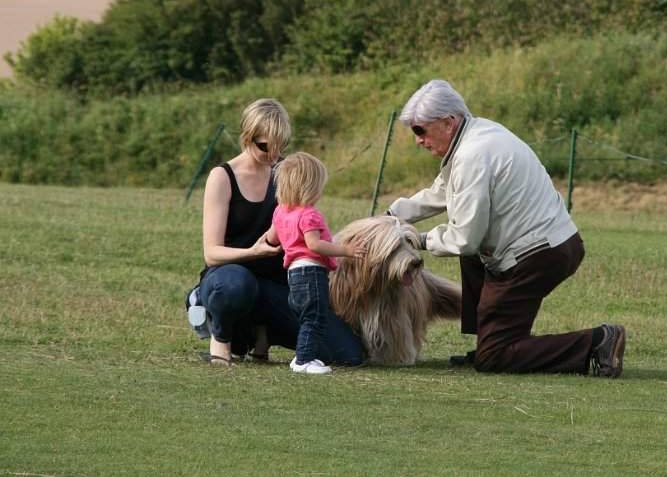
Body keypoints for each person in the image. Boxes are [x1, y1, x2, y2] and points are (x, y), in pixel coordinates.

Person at [387, 80, 626, 377]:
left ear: (448, 122)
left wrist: (415, 239)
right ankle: (491, 339)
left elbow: (464, 239)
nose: (418, 140)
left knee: (494, 359)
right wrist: (392, 216)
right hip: (552, 245)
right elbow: (443, 192)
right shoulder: (478, 134)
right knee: (473, 261)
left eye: (419, 130)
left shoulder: (471, 156)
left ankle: (597, 341)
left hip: (537, 256)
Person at [187, 99, 364, 367]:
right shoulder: (222, 177)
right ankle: (221, 337)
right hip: (230, 275)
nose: (273, 155)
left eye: (280, 146)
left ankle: (264, 332)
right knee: (235, 286)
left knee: (347, 354)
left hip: (281, 284)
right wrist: (253, 252)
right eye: (265, 146)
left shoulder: (287, 172)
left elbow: (306, 226)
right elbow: (212, 254)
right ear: (247, 137)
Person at [265, 152, 367, 374]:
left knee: (305, 317)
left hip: (293, 274)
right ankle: (304, 361)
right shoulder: (309, 214)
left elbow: (272, 238)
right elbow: (315, 245)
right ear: (310, 187)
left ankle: (303, 355)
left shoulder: (280, 211)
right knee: (315, 317)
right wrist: (346, 251)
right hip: (311, 272)